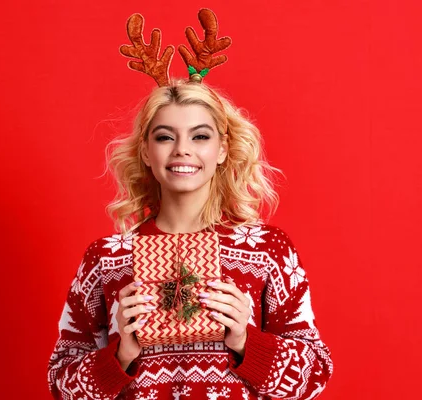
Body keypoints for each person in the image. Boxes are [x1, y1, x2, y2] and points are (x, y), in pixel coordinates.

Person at [47, 10, 333, 400]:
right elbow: (60, 386)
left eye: (200, 136)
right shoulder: (105, 259)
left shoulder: (268, 252)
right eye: (165, 137)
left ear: (222, 149)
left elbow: (315, 373)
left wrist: (246, 340)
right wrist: (121, 354)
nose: (182, 149)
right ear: (146, 152)